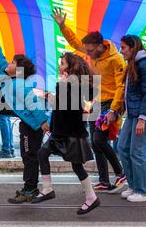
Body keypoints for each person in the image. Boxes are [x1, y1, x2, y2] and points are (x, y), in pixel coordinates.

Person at [52, 8, 126, 192]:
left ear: (101, 45)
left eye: (91, 50)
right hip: (96, 103)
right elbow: (75, 42)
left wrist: (114, 110)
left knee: (99, 140)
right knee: (95, 142)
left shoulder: (116, 60)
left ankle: (120, 173)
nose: (88, 54)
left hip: (110, 104)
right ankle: (104, 180)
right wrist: (62, 26)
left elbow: (121, 87)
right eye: (88, 51)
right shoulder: (92, 52)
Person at [35, 52, 100, 214]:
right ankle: (49, 188)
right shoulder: (71, 83)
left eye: (62, 63)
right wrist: (49, 95)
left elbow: (70, 108)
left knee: (76, 166)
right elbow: (62, 104)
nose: (59, 66)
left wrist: (61, 87)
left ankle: (91, 197)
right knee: (43, 154)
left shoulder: (73, 84)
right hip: (62, 131)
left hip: (69, 132)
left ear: (70, 68)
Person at [0, 33, 49, 204]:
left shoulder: (19, 84)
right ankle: (31, 187)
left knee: (30, 156)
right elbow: (0, 60)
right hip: (27, 124)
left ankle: (30, 188)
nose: (8, 63)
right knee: (27, 155)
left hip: (33, 126)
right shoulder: (9, 77)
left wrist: (43, 121)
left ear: (19, 69)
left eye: (13, 63)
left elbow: (33, 103)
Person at [116, 35, 146, 202]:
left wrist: (142, 118)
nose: (121, 51)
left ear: (132, 47)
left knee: (137, 150)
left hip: (144, 113)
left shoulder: (144, 64)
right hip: (133, 112)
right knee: (122, 147)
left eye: (123, 48)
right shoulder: (133, 63)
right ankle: (134, 185)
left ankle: (145, 191)